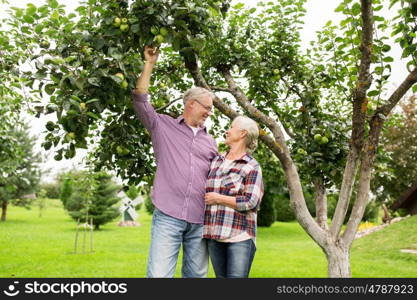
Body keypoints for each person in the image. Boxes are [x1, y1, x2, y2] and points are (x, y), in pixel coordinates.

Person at [132, 46, 218, 277]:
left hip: (200, 219)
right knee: (159, 275)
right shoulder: (162, 126)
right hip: (168, 215)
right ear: (191, 104)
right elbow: (140, 99)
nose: (210, 113)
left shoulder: (211, 142)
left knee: (197, 277)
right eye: (207, 108)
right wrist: (149, 63)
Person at [203, 116, 264, 278]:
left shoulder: (251, 166)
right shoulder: (216, 161)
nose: (227, 131)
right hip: (215, 235)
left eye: (231, 127)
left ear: (243, 133)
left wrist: (219, 198)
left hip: (240, 236)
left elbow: (251, 201)